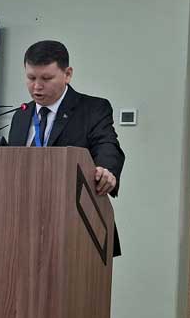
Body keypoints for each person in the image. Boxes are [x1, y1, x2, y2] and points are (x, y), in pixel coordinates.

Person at [8, 40, 125, 255]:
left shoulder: (93, 109)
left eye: (46, 78)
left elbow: (107, 145)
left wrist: (106, 170)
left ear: (67, 74)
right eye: (31, 78)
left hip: (76, 225)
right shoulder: (21, 115)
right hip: (23, 226)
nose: (37, 86)